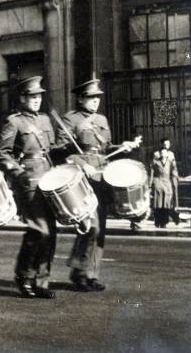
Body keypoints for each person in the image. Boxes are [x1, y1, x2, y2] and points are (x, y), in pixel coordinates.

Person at [58, 79, 140, 292]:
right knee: (90, 226)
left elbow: (105, 148)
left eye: (97, 98)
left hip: (102, 178)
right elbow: (61, 150)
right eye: (91, 98)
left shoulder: (102, 119)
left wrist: (123, 146)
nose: (95, 102)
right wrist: (82, 163)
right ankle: (80, 272)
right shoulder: (70, 119)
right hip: (83, 179)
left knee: (100, 228)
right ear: (80, 98)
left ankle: (90, 274)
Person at [0, 76, 58, 299]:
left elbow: (52, 149)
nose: (36, 100)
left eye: (39, 96)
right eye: (32, 96)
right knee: (38, 230)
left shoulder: (45, 120)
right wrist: (18, 173)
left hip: (49, 180)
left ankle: (41, 281)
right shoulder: (14, 122)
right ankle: (23, 276)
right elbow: (3, 153)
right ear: (22, 98)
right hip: (29, 181)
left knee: (50, 232)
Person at [150, 139, 179, 229]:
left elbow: (173, 169)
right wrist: (150, 184)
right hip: (158, 182)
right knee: (158, 203)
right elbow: (152, 170)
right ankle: (158, 221)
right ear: (161, 144)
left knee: (167, 203)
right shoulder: (156, 156)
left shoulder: (171, 155)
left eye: (168, 144)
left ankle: (166, 221)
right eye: (165, 144)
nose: (166, 145)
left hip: (167, 183)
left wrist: (175, 179)